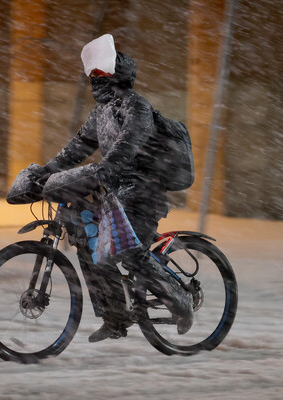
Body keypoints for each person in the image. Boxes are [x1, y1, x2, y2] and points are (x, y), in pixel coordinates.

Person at [41, 34, 193, 342]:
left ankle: (180, 297)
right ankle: (115, 317)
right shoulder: (101, 113)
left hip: (144, 192)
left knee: (126, 250)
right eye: (92, 75)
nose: (95, 80)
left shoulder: (137, 107)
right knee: (88, 241)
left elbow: (127, 146)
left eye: (101, 74)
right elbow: (78, 148)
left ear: (118, 75)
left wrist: (107, 169)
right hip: (115, 192)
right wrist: (44, 173)